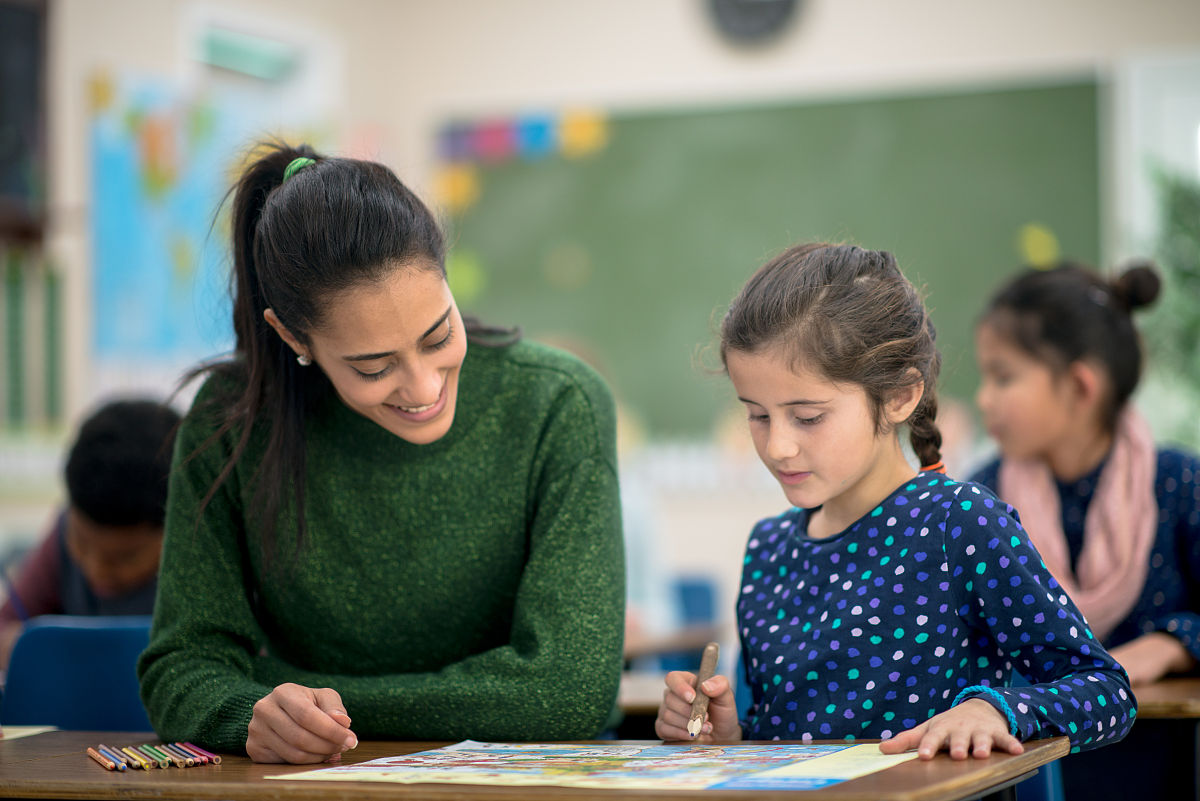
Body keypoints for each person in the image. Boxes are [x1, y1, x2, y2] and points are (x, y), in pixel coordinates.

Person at [136, 143, 625, 763]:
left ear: (448, 278)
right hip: (317, 781)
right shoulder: (232, 418)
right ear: (293, 336)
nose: (423, 388)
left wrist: (294, 694)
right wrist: (250, 717)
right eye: (373, 367)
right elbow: (182, 666)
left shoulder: (560, 402)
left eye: (439, 334)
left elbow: (567, 691)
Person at [654, 243, 1134, 761]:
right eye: (757, 415)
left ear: (900, 396)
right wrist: (729, 739)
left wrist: (996, 710)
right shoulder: (769, 548)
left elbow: (1108, 691)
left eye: (808, 417)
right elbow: (790, 740)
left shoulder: (958, 523)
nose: (777, 447)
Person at [970, 261, 1200, 798]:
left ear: (1080, 385)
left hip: (1162, 777)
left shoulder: (1179, 484)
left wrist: (1172, 643)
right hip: (1024, 777)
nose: (984, 399)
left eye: (1003, 377)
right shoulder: (979, 503)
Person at [0, 398, 180, 669]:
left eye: (125, 558)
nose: (96, 571)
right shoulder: (64, 533)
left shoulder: (208, 564)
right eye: (82, 544)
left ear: (180, 527)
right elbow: (7, 627)